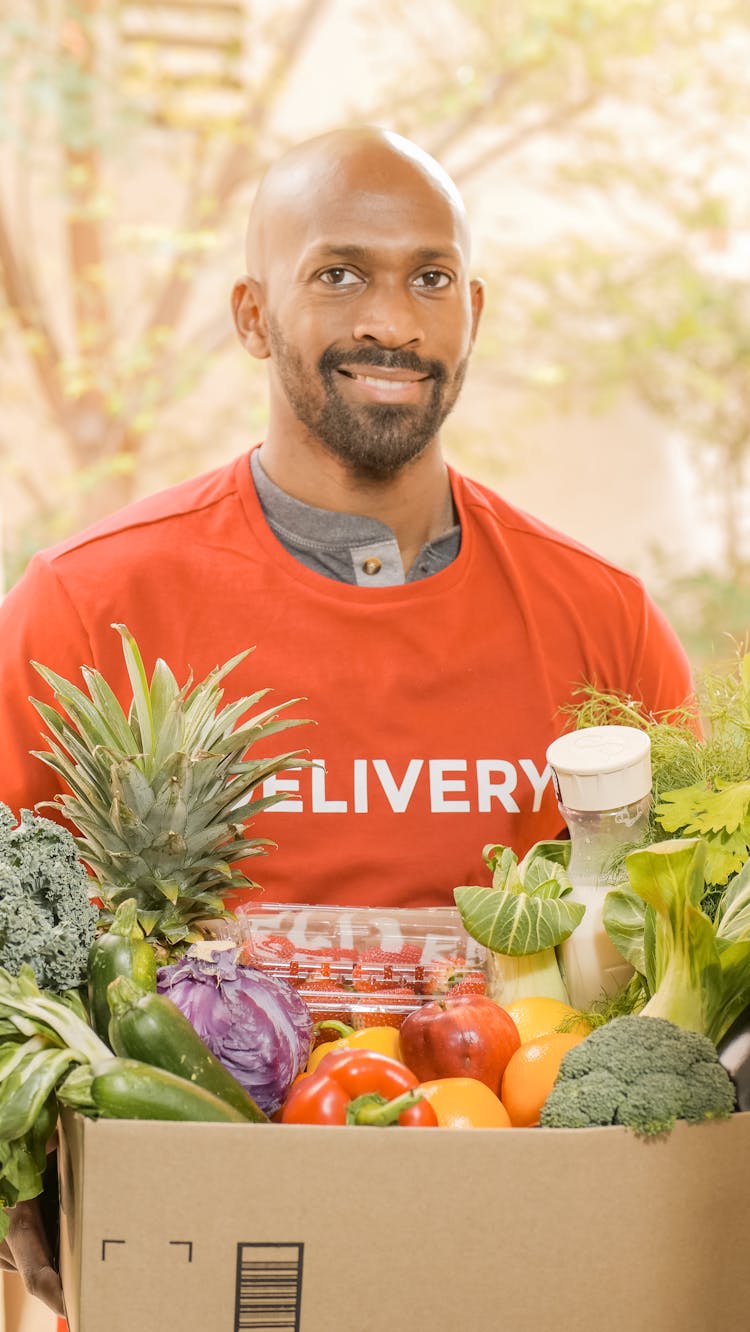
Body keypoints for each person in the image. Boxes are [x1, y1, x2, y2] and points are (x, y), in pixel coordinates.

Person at [0, 126, 693, 1312]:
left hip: (524, 1271)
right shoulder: (93, 605)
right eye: (340, 273)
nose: (393, 320)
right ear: (252, 315)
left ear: (471, 310)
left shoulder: (604, 621)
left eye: (430, 278)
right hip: (205, 1267)